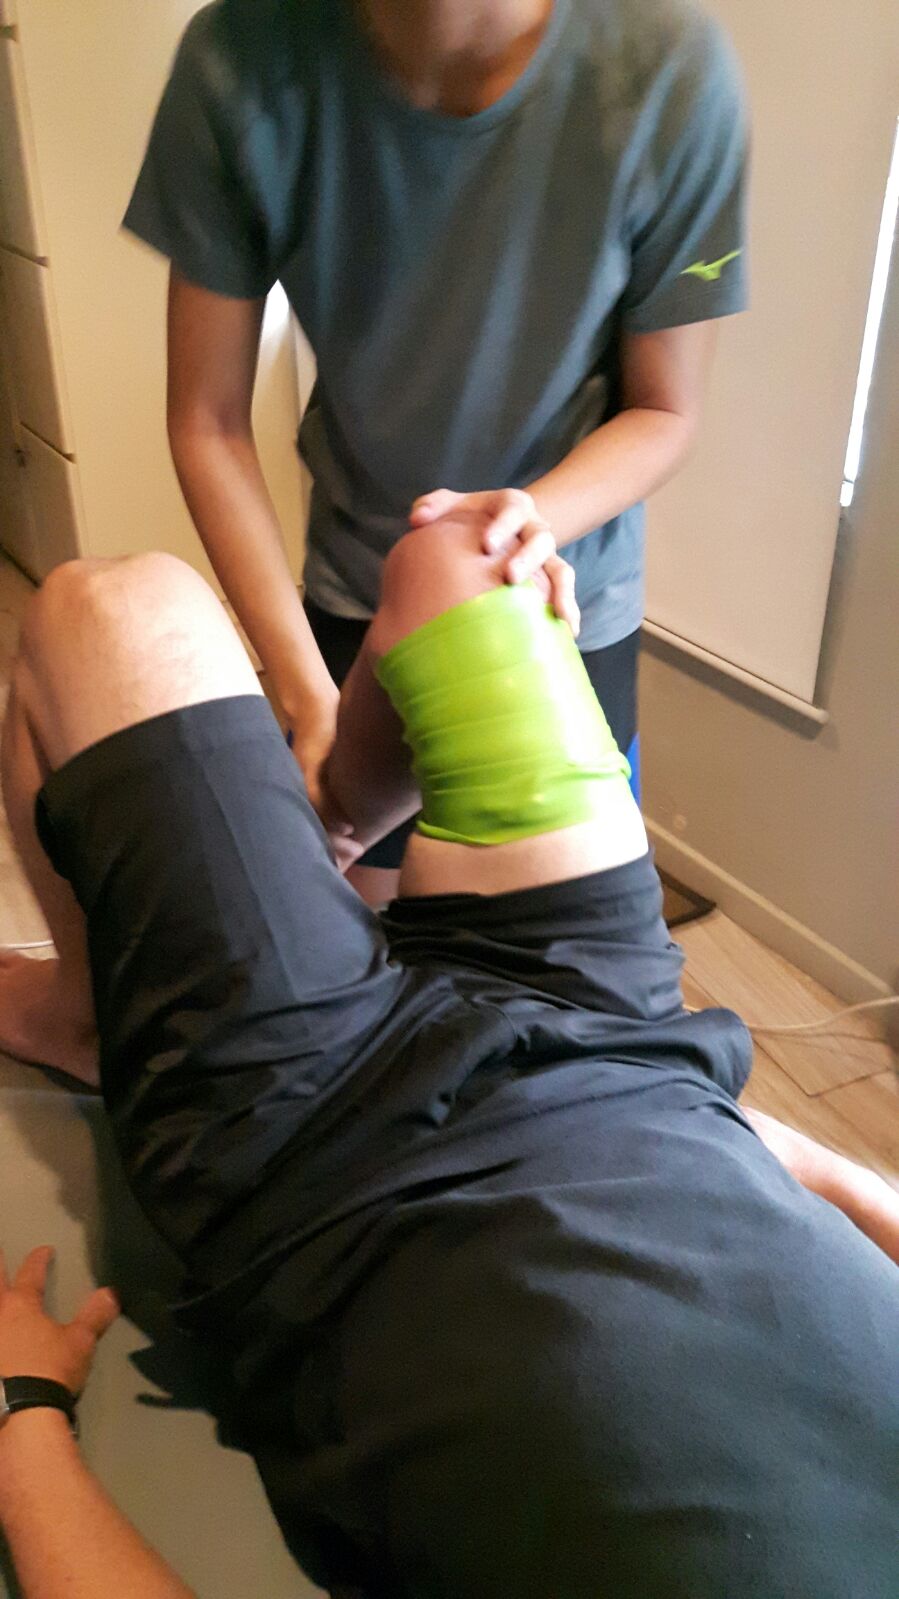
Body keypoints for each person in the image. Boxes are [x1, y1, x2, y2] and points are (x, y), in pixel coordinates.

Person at [0, 531, 896, 1599]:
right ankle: (322, 834)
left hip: (331, 1164)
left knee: (106, 609)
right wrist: (767, 1150)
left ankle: (96, 1017)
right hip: (622, 1050)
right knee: (468, 564)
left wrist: (23, 1415)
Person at [123, 0, 749, 902]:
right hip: (350, 598)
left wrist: (522, 525)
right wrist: (307, 695)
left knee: (540, 947)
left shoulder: (668, 69)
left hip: (560, 605)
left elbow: (666, 410)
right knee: (354, 932)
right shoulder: (239, 59)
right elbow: (206, 421)